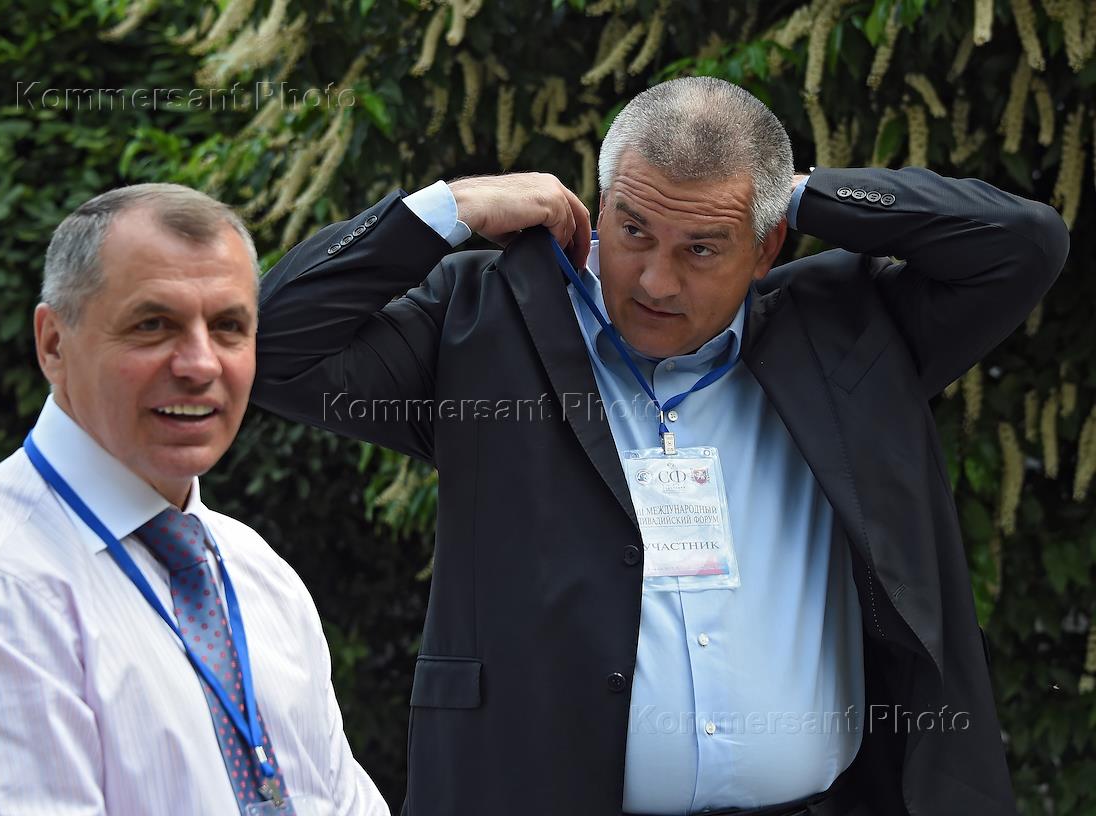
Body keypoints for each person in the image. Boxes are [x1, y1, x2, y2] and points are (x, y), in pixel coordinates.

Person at [250, 77, 1070, 816]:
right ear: (601, 203)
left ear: (766, 247)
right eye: (634, 229)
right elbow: (271, 347)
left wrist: (804, 197)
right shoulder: (481, 326)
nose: (654, 281)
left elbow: (1023, 245)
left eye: (701, 247)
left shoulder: (846, 335)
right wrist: (449, 207)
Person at [0, 184, 388, 816]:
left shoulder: (262, 576)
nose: (200, 365)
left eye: (229, 327)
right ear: (53, 344)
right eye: (153, 325)